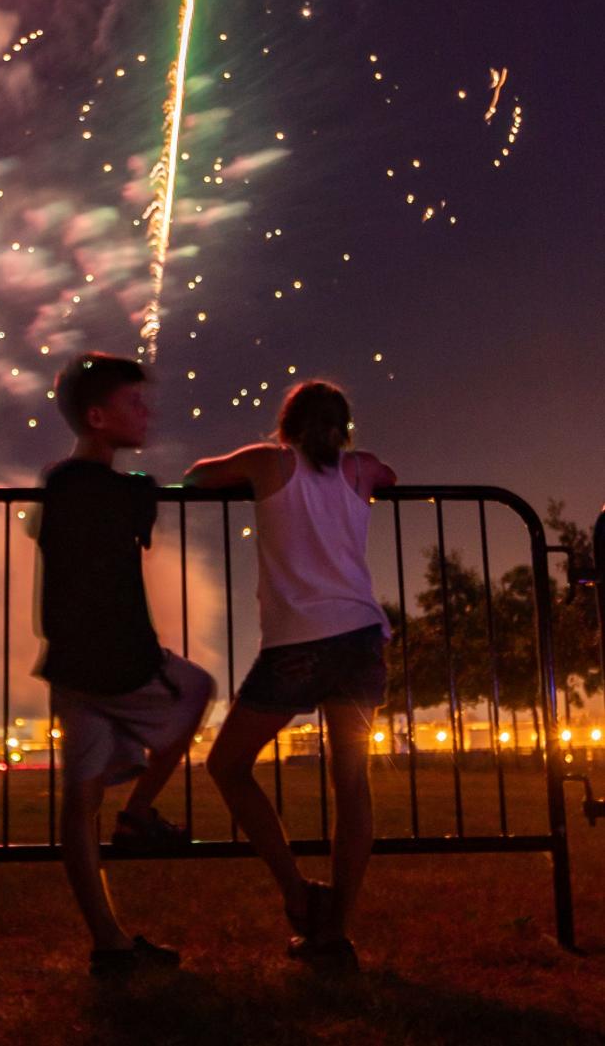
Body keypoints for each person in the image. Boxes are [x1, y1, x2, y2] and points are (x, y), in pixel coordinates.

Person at [186, 378, 396, 971]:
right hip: (359, 639)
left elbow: (201, 474)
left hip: (299, 643)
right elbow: (390, 476)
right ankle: (336, 933)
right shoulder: (359, 469)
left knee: (227, 765)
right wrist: (359, 463)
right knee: (352, 786)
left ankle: (297, 892)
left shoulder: (269, 462)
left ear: (286, 426)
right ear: (343, 429)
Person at [35, 351, 215, 978]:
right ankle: (139, 812)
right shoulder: (115, 490)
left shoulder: (62, 485)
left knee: (78, 803)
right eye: (134, 404)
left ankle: (108, 944)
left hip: (72, 666)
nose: (147, 412)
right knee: (198, 689)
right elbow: (134, 509)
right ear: (96, 416)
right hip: (119, 661)